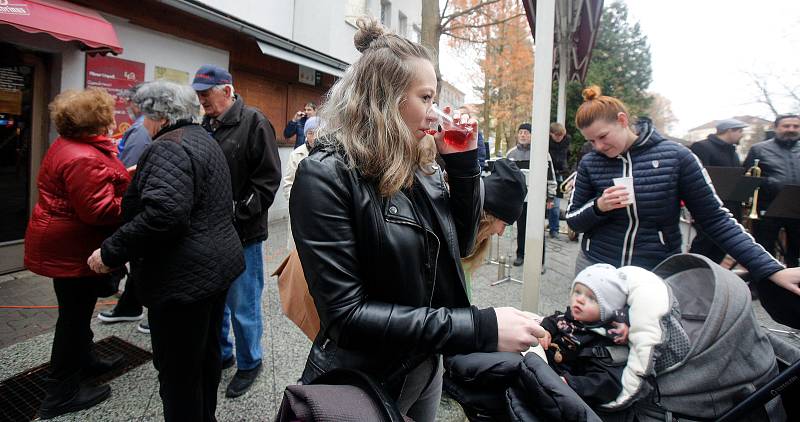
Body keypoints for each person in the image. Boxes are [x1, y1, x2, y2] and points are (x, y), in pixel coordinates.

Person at [290, 17, 546, 421]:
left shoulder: (420, 164)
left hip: (425, 366)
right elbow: (346, 317)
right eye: (426, 98)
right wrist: (482, 327)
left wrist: (462, 166)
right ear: (387, 99)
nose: (436, 113)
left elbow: (459, 246)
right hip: (366, 380)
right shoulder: (326, 175)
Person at [566, 86, 800, 328]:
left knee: (645, 337)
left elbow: (716, 220)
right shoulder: (591, 163)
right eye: (591, 141)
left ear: (622, 121)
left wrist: (771, 269)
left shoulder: (677, 157)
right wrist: (599, 206)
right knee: (585, 334)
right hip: (596, 267)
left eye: (603, 137)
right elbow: (573, 220)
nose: (598, 147)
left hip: (652, 270)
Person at [88, 81, 245, 421]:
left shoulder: (167, 147)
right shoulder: (203, 138)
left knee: (178, 373)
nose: (143, 124)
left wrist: (110, 251)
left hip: (183, 279)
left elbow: (165, 215)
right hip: (214, 271)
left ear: (159, 116)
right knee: (204, 359)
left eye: (145, 116)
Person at [24, 88, 130, 419]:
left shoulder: (70, 147)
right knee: (72, 319)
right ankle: (61, 392)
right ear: (97, 121)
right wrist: (132, 197)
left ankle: (85, 360)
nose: (115, 119)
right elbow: (98, 212)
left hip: (64, 244)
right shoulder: (84, 156)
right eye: (110, 115)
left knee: (76, 313)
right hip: (73, 249)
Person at [193, 64, 282, 397]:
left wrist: (238, 210)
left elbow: (268, 180)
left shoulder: (255, 122)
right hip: (211, 233)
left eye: (207, 94)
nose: (202, 100)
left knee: (243, 304)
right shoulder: (206, 124)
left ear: (227, 90)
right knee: (218, 301)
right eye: (199, 95)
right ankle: (225, 354)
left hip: (243, 234)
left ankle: (250, 362)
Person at [98, 84, 151, 333]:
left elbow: (127, 172)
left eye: (129, 102)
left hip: (139, 205)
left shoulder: (141, 129)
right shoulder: (141, 127)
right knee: (139, 261)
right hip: (140, 205)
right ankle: (131, 305)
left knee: (142, 260)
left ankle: (137, 306)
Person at [539, 263, 629, 406]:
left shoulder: (605, 343)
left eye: (592, 298)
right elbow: (554, 320)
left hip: (563, 390)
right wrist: (545, 330)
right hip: (542, 368)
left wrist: (570, 383)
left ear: (608, 309)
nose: (579, 299)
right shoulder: (571, 317)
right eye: (577, 292)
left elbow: (608, 384)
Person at [743, 114, 800, 327]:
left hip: (797, 208)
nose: (791, 129)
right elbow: (748, 176)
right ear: (776, 128)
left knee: (796, 249)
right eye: (786, 126)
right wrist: (769, 183)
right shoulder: (759, 149)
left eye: (795, 126)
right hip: (769, 208)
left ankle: (794, 285)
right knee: (763, 248)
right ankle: (762, 287)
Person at [461, 159, 528, 298]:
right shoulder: (451, 238)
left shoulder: (469, 242)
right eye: (504, 224)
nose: (501, 233)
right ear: (489, 216)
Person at [688, 118, 748, 263]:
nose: (742, 135)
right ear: (729, 131)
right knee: (704, 245)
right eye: (740, 131)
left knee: (722, 246)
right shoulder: (701, 147)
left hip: (731, 205)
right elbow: (698, 177)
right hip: (709, 207)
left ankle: (712, 274)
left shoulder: (732, 151)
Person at [506, 123, 556, 266]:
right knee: (521, 227)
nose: (523, 135)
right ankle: (521, 254)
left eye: (526, 132)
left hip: (538, 198)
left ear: (532, 136)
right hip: (520, 199)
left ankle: (539, 261)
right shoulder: (511, 154)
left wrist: (550, 196)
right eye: (520, 132)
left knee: (538, 229)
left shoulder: (542, 154)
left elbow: (550, 176)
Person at [283, 116, 319, 250]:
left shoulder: (329, 154)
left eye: (318, 132)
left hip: (319, 212)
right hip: (299, 211)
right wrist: (295, 205)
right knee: (297, 253)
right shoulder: (296, 154)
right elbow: (288, 183)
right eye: (310, 133)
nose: (314, 136)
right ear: (305, 135)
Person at [548, 122, 572, 238]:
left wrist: (565, 169)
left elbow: (568, 155)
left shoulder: (567, 141)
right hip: (547, 173)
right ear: (551, 134)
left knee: (555, 204)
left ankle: (554, 229)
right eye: (557, 136)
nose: (559, 138)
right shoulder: (546, 141)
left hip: (559, 173)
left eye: (561, 136)